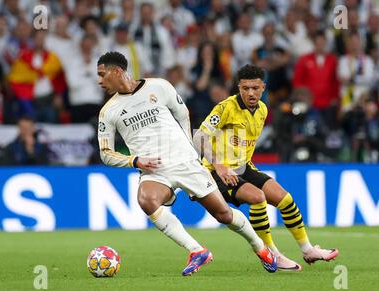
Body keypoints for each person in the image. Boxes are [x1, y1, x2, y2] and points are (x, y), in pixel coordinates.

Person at [96, 51, 277, 276]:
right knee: (146, 200)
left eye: (103, 75)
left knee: (223, 215)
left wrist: (189, 147)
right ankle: (196, 250)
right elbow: (105, 153)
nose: (100, 80)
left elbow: (182, 113)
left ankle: (261, 248)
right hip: (154, 169)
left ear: (117, 71)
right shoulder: (108, 112)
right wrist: (135, 160)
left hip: (185, 161)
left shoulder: (159, 87)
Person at [193, 64, 339, 271]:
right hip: (217, 171)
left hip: (244, 167)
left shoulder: (262, 110)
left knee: (285, 199)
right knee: (257, 198)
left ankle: (308, 250)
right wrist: (219, 165)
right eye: (245, 88)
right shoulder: (225, 108)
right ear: (239, 88)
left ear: (263, 87)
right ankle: (271, 254)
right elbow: (199, 136)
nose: (250, 93)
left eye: (255, 88)